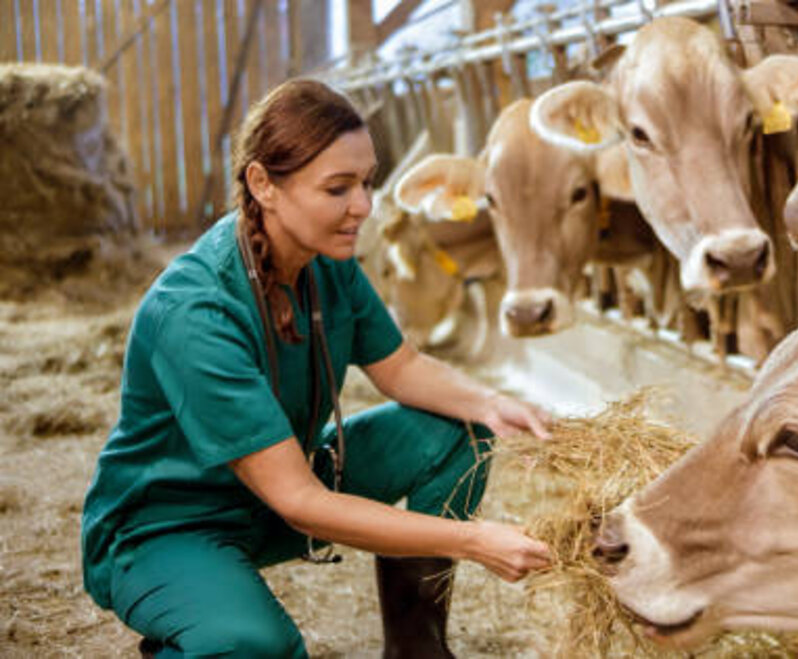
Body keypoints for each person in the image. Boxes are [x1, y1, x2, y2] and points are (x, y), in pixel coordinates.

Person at [80, 79, 553, 658]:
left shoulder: (325, 261)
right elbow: (300, 502)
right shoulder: (195, 312)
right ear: (263, 185)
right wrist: (474, 540)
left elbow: (401, 369)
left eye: (366, 182)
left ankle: (416, 650)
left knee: (459, 433)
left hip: (273, 487)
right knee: (259, 647)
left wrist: (490, 403)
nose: (363, 207)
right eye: (338, 188)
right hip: (167, 528)